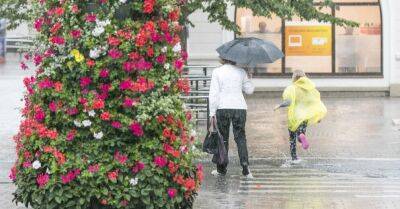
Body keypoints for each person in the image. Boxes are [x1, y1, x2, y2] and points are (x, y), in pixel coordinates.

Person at [208, 58, 254, 178]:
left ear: (222, 58)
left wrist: (212, 113)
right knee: (241, 138)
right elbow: (249, 91)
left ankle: (221, 169)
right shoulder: (242, 72)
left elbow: (214, 94)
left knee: (222, 138)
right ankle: (245, 168)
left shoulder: (217, 72)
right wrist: (249, 77)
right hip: (239, 107)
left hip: (223, 107)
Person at [274, 70, 327, 163]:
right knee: (301, 133)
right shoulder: (309, 89)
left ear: (293, 78)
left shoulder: (291, 88)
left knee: (292, 138)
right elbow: (315, 103)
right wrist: (318, 117)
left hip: (294, 116)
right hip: (304, 116)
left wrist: (279, 106)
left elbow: (288, 102)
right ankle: (301, 135)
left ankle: (294, 158)